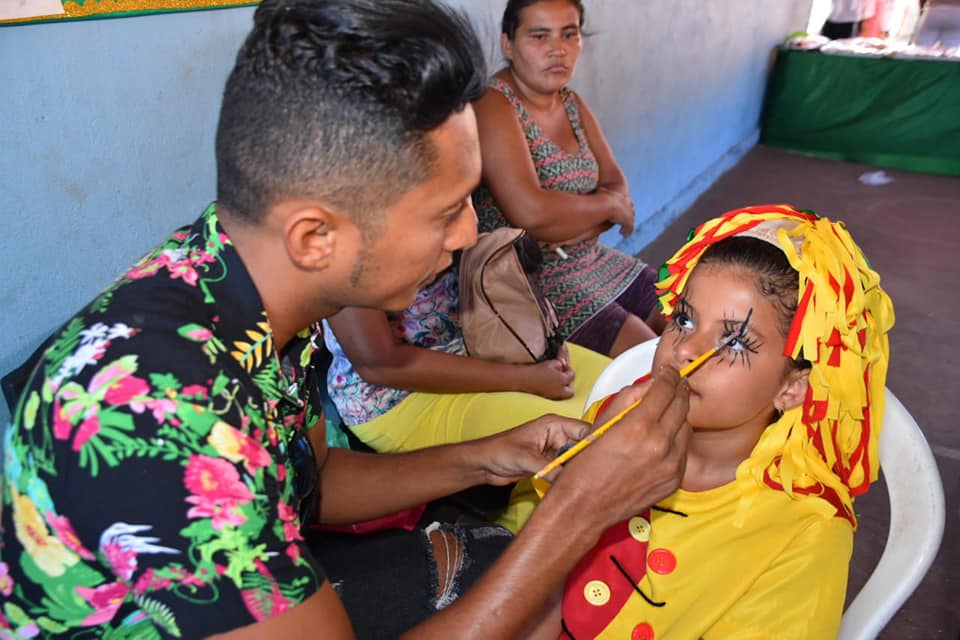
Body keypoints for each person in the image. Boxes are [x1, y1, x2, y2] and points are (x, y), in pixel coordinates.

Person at [0, 1, 692, 638]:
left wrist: (490, 455)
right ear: (315, 237)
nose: (465, 235)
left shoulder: (247, 282)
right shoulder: (153, 418)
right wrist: (578, 514)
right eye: (445, 212)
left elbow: (314, 483)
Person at [537, 205, 895, 639]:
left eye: (735, 341)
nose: (686, 350)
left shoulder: (805, 530)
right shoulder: (614, 423)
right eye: (684, 319)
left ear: (792, 388)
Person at [471, 0, 665, 359]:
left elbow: (618, 187)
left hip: (590, 259)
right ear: (508, 44)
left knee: (684, 312)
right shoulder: (494, 105)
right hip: (529, 279)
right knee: (650, 358)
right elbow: (529, 212)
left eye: (569, 34)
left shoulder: (571, 103)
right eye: (539, 36)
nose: (557, 49)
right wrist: (605, 207)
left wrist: (565, 225)